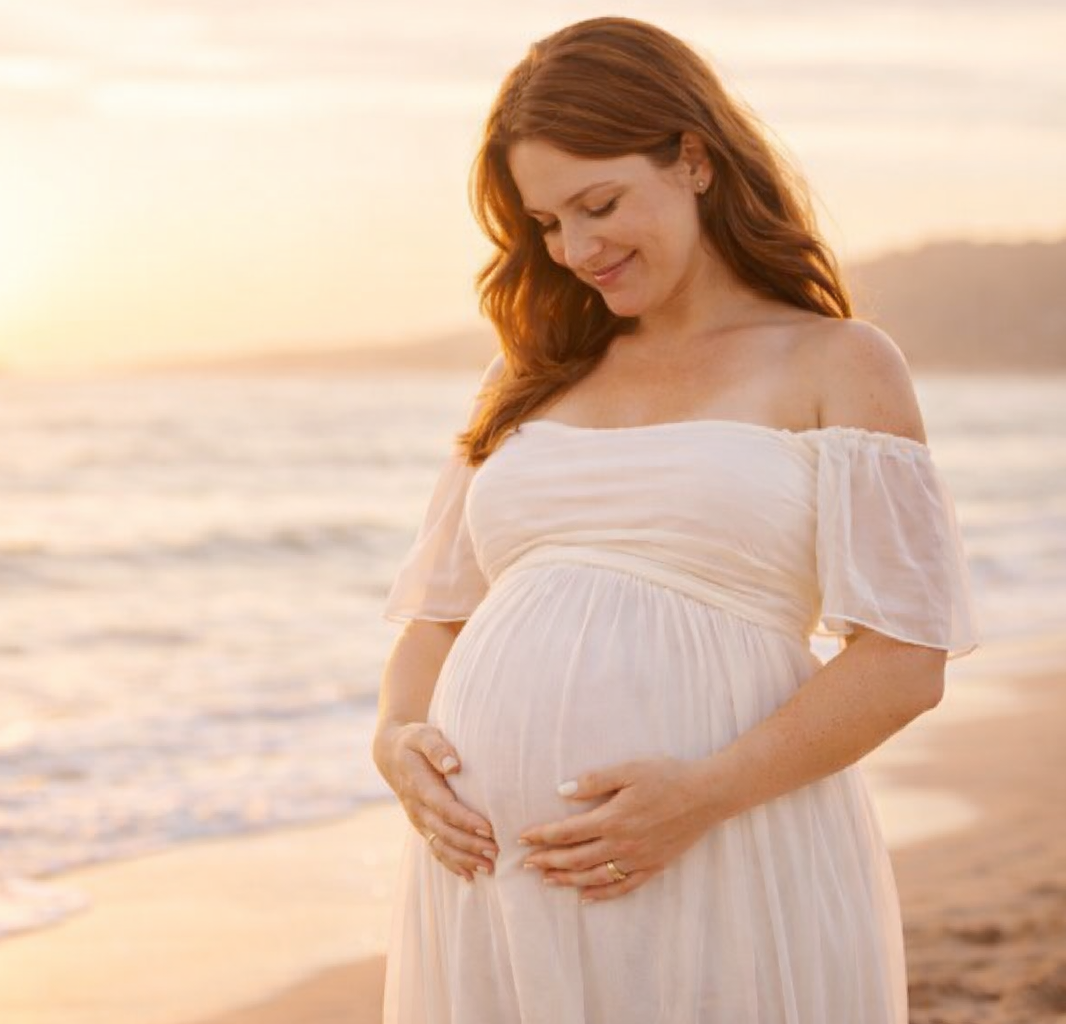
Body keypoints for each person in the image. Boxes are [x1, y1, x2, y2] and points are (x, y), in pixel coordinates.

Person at [369, 16, 979, 1024]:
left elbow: (905, 657)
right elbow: (436, 621)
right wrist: (395, 744)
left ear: (692, 157)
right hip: (489, 878)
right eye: (548, 225)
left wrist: (698, 795)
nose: (576, 249)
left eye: (598, 203)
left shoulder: (837, 362)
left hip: (723, 841)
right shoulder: (524, 378)